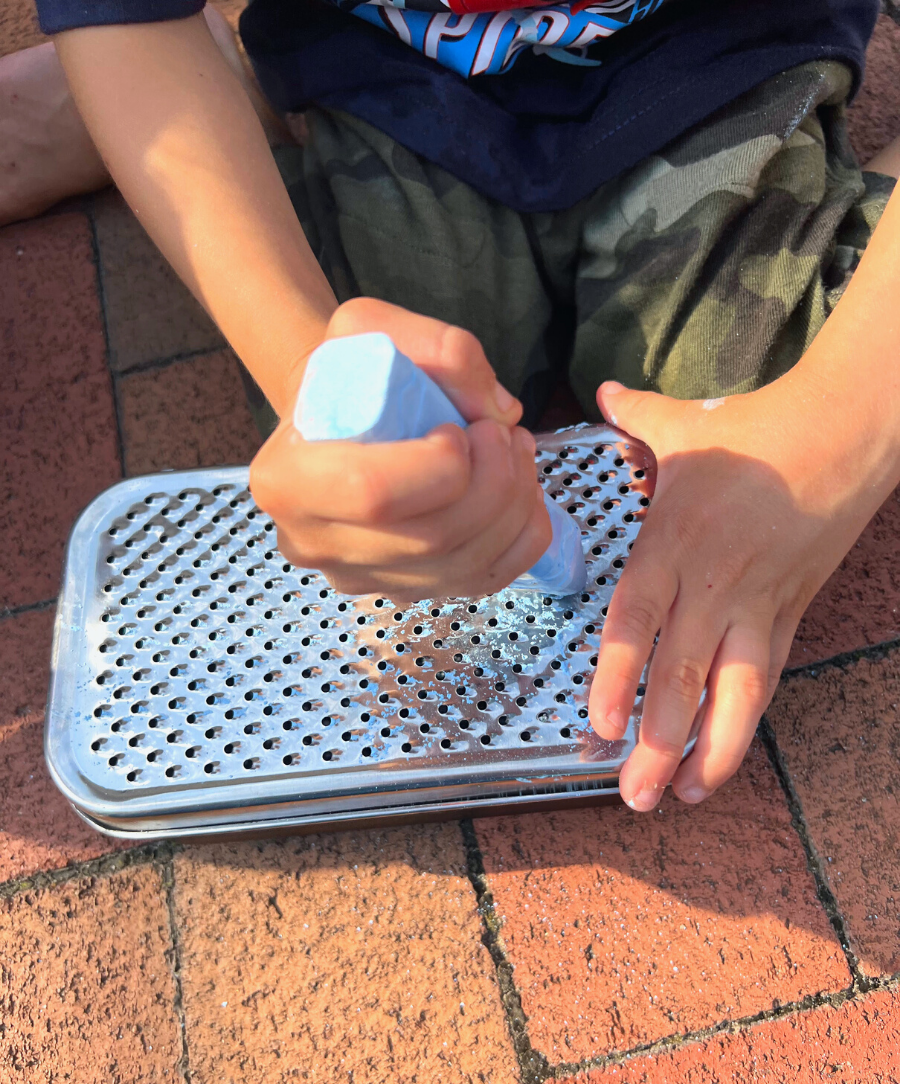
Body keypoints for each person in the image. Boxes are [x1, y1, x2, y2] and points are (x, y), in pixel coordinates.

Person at [19, 0, 900, 810]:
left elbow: (817, 426)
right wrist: (315, 380)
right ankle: (173, 83)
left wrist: (829, 436)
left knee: (744, 379)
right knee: (407, 432)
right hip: (387, 63)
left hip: (723, 44)